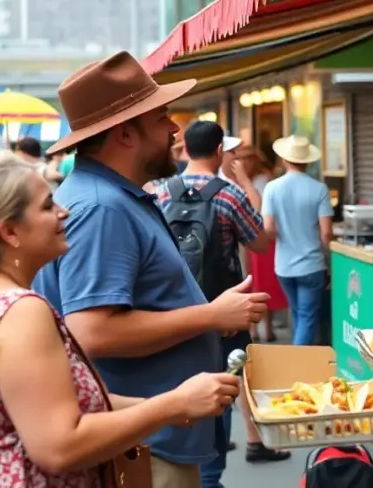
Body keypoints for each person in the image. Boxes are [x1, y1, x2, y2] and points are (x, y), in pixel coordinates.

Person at [33, 51, 270, 488]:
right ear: (125, 133)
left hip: (153, 438)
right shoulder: (102, 208)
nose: (174, 129)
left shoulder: (113, 198)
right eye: (162, 117)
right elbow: (93, 331)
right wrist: (211, 316)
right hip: (145, 446)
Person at [0, 151, 239, 485]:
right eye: (48, 206)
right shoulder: (19, 311)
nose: (64, 211)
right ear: (9, 232)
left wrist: (171, 405)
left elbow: (48, 406)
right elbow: (59, 446)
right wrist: (172, 406)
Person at [155, 121, 287, 485]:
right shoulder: (228, 195)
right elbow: (260, 243)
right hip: (224, 309)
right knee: (224, 383)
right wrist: (244, 184)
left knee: (179, 382)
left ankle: (186, 466)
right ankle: (211, 475)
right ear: (218, 152)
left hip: (173, 310)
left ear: (185, 150)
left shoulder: (160, 192)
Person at [262, 135, 334, 346]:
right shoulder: (319, 189)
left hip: (283, 266)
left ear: (285, 160)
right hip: (311, 266)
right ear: (308, 161)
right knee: (306, 317)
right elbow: (326, 233)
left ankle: (298, 358)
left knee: (299, 314)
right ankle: (297, 365)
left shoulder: (272, 188)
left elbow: (268, 228)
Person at [233, 145, 286, 343]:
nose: (241, 162)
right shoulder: (236, 179)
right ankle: (254, 329)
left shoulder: (264, 179)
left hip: (261, 236)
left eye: (246, 158)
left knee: (262, 283)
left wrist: (245, 181)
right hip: (245, 237)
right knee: (251, 282)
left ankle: (265, 327)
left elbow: (260, 208)